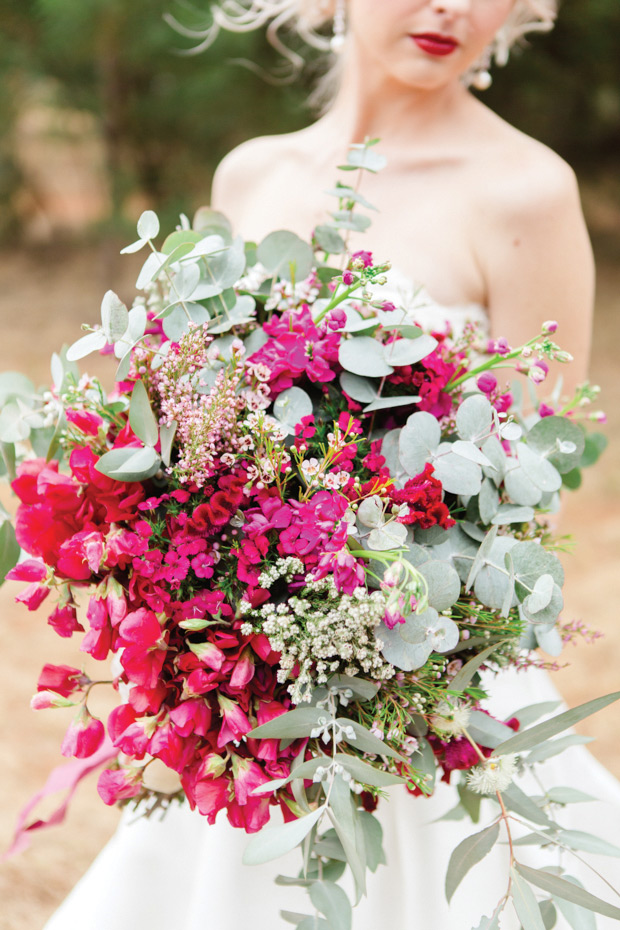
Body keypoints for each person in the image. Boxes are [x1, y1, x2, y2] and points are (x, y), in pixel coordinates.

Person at [42, 2, 620, 929]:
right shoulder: (252, 174)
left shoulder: (529, 193)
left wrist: (367, 610)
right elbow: (194, 429)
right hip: (255, 703)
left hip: (423, 693)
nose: (456, 8)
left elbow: (537, 477)